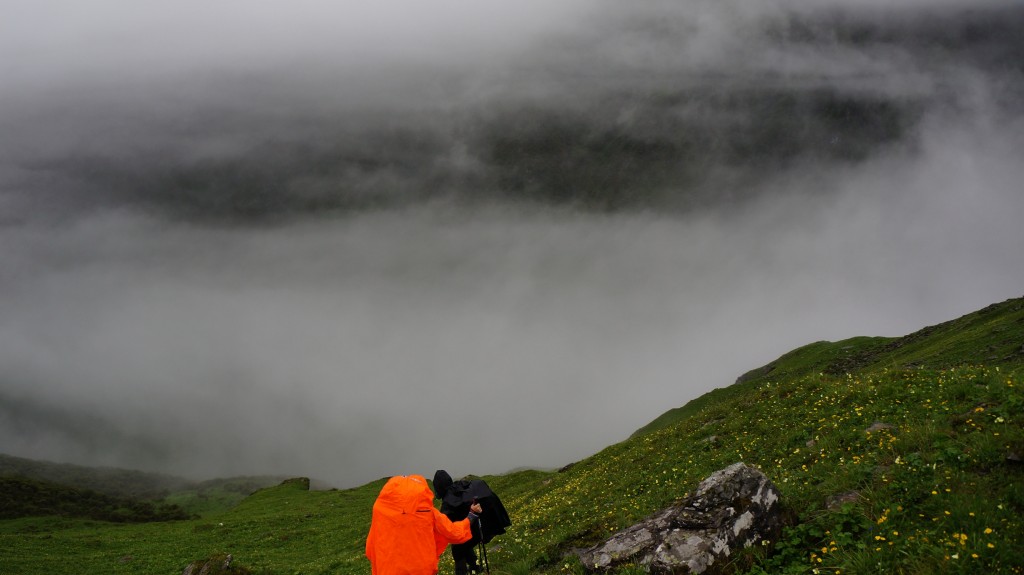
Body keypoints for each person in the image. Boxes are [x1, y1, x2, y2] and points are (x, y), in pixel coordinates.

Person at [365, 474, 482, 575]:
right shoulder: (428, 512)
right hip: (422, 570)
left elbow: (370, 549)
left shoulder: (380, 512)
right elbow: (454, 533)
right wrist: (471, 515)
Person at [433, 470, 511, 575]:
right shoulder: (460, 486)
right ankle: (475, 567)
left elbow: (446, 525)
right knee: (464, 540)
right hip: (484, 525)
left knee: (458, 548)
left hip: (475, 528)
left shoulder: (447, 502)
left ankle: (462, 572)